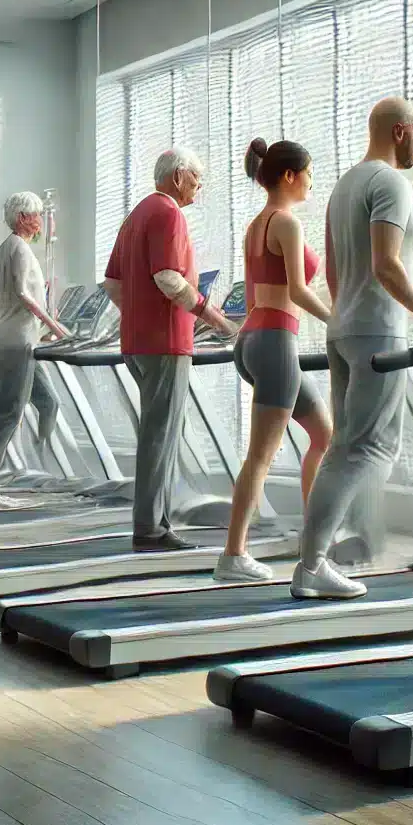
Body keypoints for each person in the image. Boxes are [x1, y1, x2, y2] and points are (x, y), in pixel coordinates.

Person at [291, 97, 413, 600]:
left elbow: (336, 273)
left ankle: (328, 552)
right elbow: (387, 264)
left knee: (347, 446)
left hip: (344, 328)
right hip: (379, 329)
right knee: (368, 448)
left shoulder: (344, 185)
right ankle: (315, 561)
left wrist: (346, 318)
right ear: (402, 132)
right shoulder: (390, 183)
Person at [104, 149, 239, 551]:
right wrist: (217, 319)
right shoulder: (168, 213)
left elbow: (112, 284)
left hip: (137, 341)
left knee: (154, 435)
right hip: (164, 344)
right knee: (160, 438)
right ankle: (150, 529)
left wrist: (140, 313)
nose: (200, 184)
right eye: (197, 176)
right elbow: (168, 278)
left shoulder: (135, 216)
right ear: (179, 176)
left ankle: (151, 524)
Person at [220, 138, 334, 582]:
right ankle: (234, 554)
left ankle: (314, 537)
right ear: (289, 175)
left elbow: (257, 294)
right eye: (308, 172)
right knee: (261, 456)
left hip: (254, 337)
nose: (311, 180)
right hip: (273, 341)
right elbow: (300, 293)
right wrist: (337, 321)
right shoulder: (286, 222)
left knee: (324, 434)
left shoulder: (255, 225)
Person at [0, 192, 70, 510]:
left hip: (25, 340)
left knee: (49, 402)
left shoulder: (17, 248)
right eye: (37, 214)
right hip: (16, 342)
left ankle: (43, 460)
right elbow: (21, 294)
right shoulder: (16, 247)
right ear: (22, 218)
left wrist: (46, 329)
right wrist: (55, 327)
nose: (41, 220)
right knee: (9, 413)